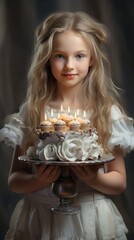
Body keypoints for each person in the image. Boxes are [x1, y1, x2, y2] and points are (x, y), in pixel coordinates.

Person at [0, 11, 134, 240]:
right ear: (47, 58)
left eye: (79, 55)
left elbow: (119, 182)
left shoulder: (106, 112)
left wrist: (93, 178)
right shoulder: (34, 110)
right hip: (41, 216)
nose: (69, 65)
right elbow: (15, 180)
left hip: (90, 217)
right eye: (60, 56)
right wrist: (39, 180)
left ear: (92, 59)